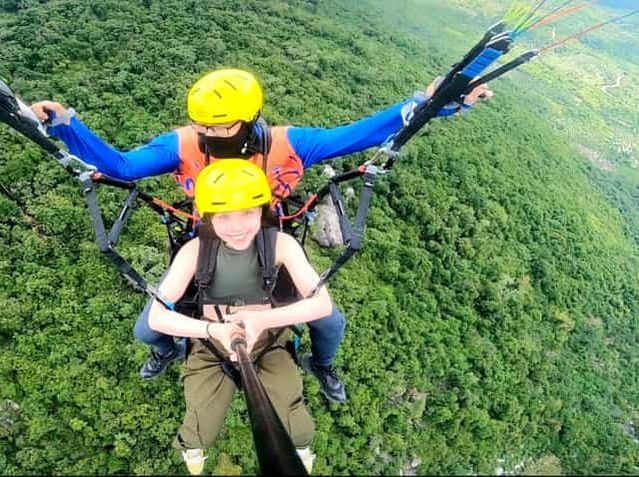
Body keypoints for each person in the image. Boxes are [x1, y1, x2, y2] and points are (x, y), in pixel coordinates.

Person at [30, 68, 493, 401]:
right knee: (145, 328)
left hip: (272, 240)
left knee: (330, 323)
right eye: (201, 125)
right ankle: (167, 352)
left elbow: (366, 133)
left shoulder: (290, 144)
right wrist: (68, 124)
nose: (208, 134)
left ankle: (323, 364)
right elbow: (121, 167)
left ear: (250, 117)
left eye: (219, 126)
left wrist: (431, 103)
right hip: (207, 242)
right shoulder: (184, 144)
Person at [147, 160, 328, 475]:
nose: (238, 226)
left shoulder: (280, 245)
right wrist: (212, 330)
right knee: (200, 425)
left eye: (248, 212)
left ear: (262, 211)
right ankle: (193, 445)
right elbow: (156, 317)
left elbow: (321, 304)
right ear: (208, 217)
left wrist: (261, 323)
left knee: (294, 419)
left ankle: (299, 447)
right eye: (224, 216)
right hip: (211, 345)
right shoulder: (195, 252)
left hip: (269, 341)